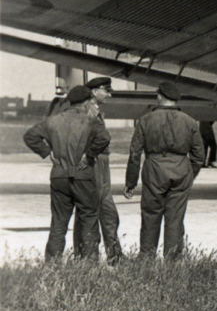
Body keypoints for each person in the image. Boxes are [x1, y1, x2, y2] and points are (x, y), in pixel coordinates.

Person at [23, 85, 111, 261]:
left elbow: (30, 136)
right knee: (89, 220)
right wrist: (89, 155)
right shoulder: (92, 121)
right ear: (86, 102)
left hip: (59, 176)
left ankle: (52, 264)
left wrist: (47, 152)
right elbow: (105, 138)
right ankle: (89, 264)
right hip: (83, 175)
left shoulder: (53, 121)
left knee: (58, 223)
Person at [125, 82, 205, 259]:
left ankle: (146, 258)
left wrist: (131, 182)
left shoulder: (145, 120)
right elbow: (199, 155)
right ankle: (173, 262)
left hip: (154, 169)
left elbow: (134, 154)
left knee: (150, 216)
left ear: (159, 96)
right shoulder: (190, 122)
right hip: (181, 170)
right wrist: (189, 174)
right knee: (175, 219)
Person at [83, 77, 124, 264]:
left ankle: (113, 254)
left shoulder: (95, 110)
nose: (109, 94)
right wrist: (89, 155)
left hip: (101, 160)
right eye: (105, 90)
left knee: (106, 209)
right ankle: (100, 255)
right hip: (96, 161)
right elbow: (93, 137)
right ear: (93, 91)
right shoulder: (89, 111)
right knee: (101, 207)